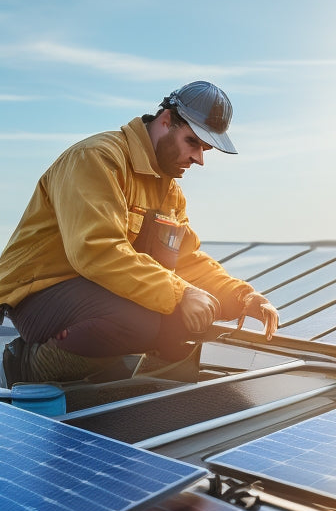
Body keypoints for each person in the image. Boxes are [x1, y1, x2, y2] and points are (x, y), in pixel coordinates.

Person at [0, 81, 279, 388]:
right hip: (40, 291)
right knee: (143, 319)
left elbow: (185, 261)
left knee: (197, 309)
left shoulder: (167, 188)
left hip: (94, 286)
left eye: (205, 149)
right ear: (165, 121)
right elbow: (96, 251)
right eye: (193, 142)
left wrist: (243, 297)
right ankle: (32, 365)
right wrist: (180, 293)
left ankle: (141, 379)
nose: (199, 159)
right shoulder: (97, 159)